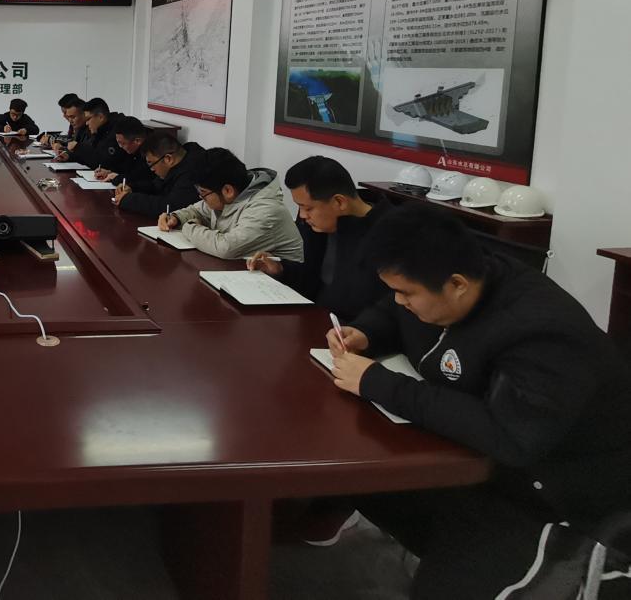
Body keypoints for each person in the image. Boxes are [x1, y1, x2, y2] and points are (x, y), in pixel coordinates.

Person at [326, 207, 631, 599]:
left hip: (559, 489)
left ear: (457, 284)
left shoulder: (543, 333)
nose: (399, 300)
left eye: (406, 293)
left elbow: (511, 436)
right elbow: (394, 312)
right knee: (360, 472)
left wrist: (378, 383)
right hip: (480, 457)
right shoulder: (456, 280)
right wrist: (365, 333)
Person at [248, 155, 390, 318]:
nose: (302, 215)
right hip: (315, 319)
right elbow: (311, 279)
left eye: (308, 208)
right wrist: (281, 269)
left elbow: (387, 309)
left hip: (352, 329)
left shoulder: (389, 234)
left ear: (339, 202)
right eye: (300, 207)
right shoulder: (320, 226)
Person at [157, 148, 304, 261]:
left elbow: (226, 248)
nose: (201, 198)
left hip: (281, 287)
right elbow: (198, 211)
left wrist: (189, 226)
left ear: (228, 190)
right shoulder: (232, 194)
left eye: (203, 193)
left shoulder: (266, 210)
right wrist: (176, 218)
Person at [112, 132, 203, 217]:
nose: (152, 169)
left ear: (168, 159)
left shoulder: (194, 172)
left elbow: (170, 207)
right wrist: (132, 188)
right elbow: (155, 186)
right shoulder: (177, 164)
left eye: (151, 164)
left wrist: (129, 200)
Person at [67, 97, 120, 169]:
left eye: (88, 119)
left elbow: (103, 162)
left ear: (100, 117)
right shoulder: (99, 130)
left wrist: (78, 147)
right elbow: (89, 158)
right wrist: (69, 157)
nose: (86, 123)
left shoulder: (117, 131)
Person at [94, 116, 148, 183]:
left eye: (123, 143)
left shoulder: (148, 155)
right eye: (118, 143)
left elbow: (138, 179)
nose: (120, 146)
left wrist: (117, 177)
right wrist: (109, 172)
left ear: (137, 141)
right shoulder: (130, 150)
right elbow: (123, 170)